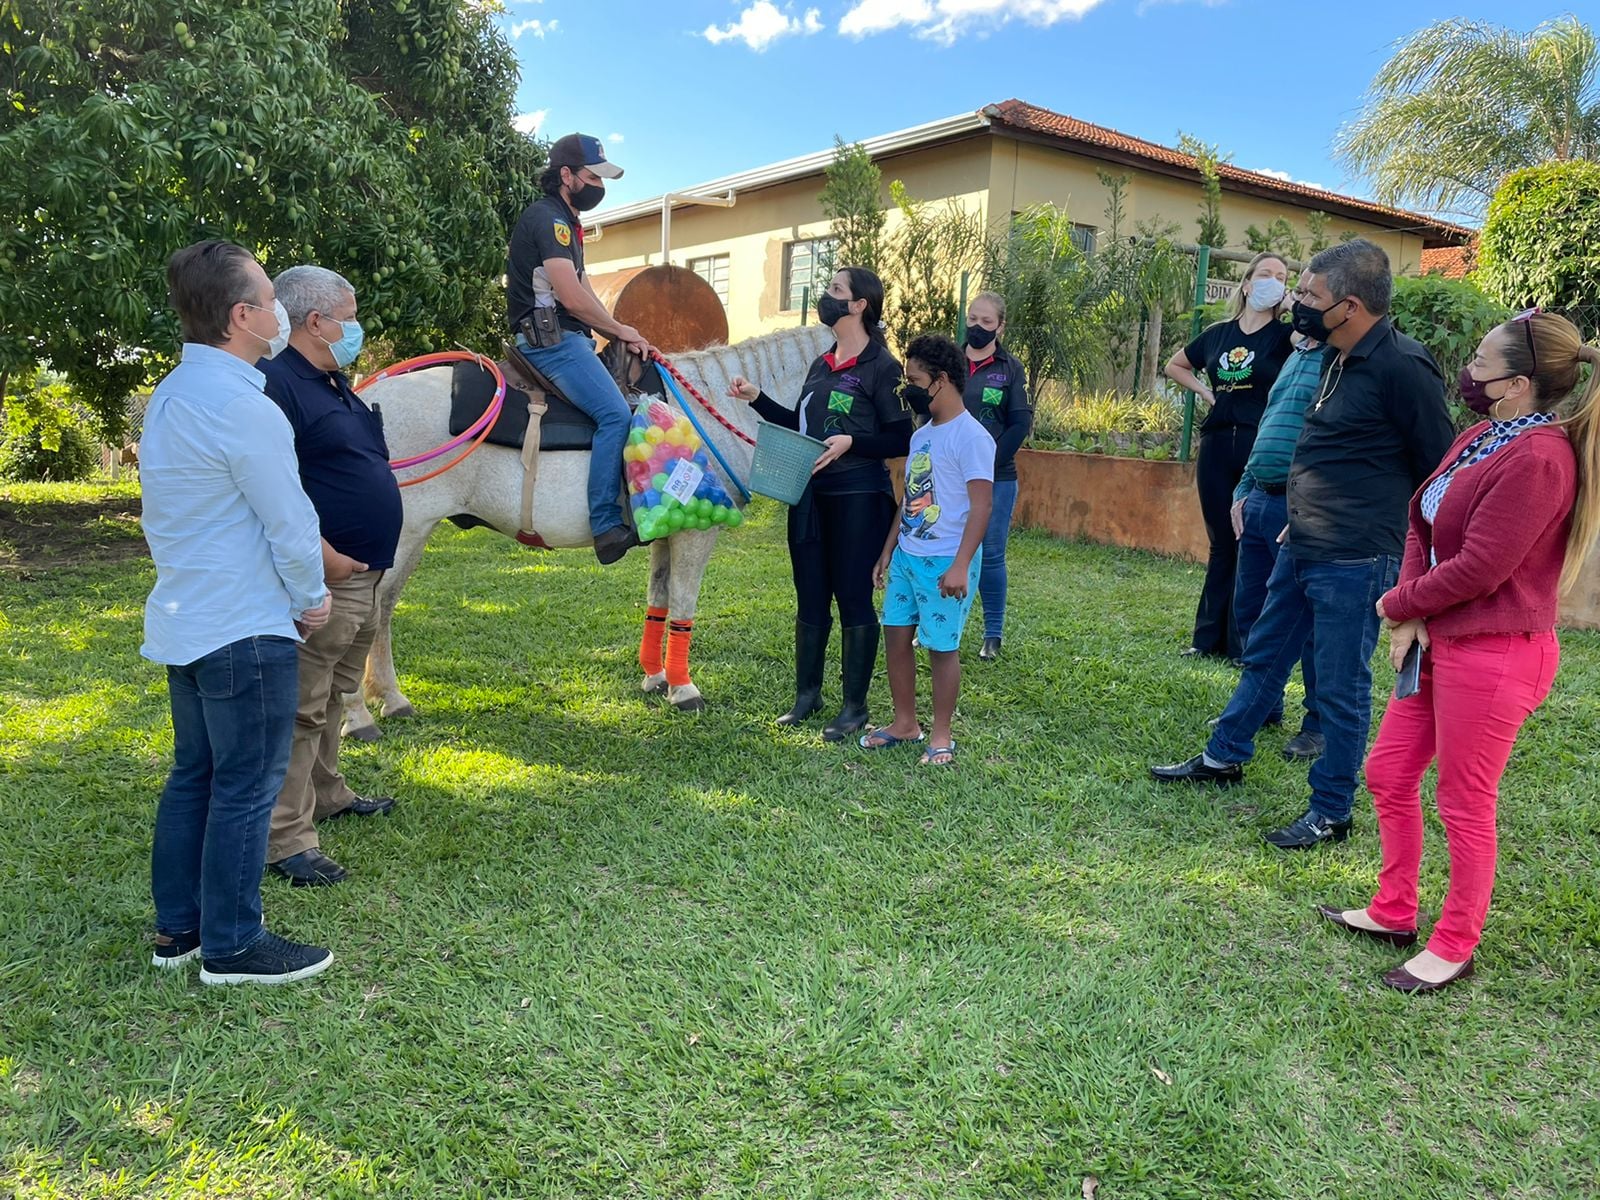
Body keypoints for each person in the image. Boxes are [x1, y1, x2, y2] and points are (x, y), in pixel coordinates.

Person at [1319, 311, 1600, 992]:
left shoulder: (1540, 457)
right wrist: (1413, 610)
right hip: (1440, 639)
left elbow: (1483, 567)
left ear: (1517, 383)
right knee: (1388, 772)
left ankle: (1455, 943)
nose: (1468, 372)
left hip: (1496, 651)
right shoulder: (1482, 436)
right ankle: (1394, 909)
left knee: (1464, 800)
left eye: (1480, 362)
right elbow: (1422, 519)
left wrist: (1396, 605)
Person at [1151, 239, 1456, 851]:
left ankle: (1331, 810)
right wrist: (1300, 511)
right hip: (1301, 538)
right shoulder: (1332, 356)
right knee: (1264, 654)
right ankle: (1225, 754)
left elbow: (1437, 471)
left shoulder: (1403, 367)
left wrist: (1413, 565)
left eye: (1310, 296)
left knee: (1340, 685)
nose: (1297, 304)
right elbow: (1318, 446)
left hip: (1356, 556)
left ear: (1347, 304)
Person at [139, 240, 334, 986]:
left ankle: (179, 931)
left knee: (196, 774)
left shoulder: (173, 394)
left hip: (189, 617)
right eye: (268, 297)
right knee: (247, 784)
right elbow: (288, 520)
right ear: (242, 315)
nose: (280, 310)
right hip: (244, 627)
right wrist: (311, 598)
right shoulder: (242, 407)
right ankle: (232, 944)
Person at [258, 266, 402, 888]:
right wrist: (326, 560)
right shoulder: (277, 386)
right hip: (331, 577)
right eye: (349, 312)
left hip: (367, 576)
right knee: (301, 707)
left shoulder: (331, 380)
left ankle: (329, 794)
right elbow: (272, 488)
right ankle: (287, 837)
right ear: (316, 321)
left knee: (336, 694)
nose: (356, 325)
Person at [727, 267, 911, 742]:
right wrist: (757, 399)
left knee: (852, 596)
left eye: (835, 291)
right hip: (810, 495)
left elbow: (901, 436)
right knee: (810, 597)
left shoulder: (882, 366)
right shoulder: (821, 363)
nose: (825, 298)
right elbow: (802, 427)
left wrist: (854, 441)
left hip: (858, 498)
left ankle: (854, 707)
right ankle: (807, 696)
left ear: (859, 306)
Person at [506, 132, 654, 564]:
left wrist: (617, 328)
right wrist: (620, 331)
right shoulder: (548, 219)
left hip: (568, 339)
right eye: (594, 176)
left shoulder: (568, 223)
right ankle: (606, 524)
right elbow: (570, 297)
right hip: (550, 344)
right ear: (565, 175)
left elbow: (585, 289)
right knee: (614, 414)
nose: (600, 187)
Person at [860, 335, 994, 765]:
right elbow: (910, 497)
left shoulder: (972, 437)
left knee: (941, 646)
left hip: (945, 561)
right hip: (907, 556)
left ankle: (940, 733)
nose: (908, 389)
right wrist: (887, 551)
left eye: (914, 380)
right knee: (895, 635)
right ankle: (905, 724)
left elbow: (982, 506)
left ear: (940, 381)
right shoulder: (921, 436)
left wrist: (960, 565)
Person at [1165, 253, 1294, 662]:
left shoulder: (1285, 336)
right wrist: (1207, 393)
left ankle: (1243, 645)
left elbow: (1319, 342)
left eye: (1281, 277)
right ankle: (1205, 640)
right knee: (1222, 541)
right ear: (1246, 284)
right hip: (1218, 442)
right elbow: (1176, 365)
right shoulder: (1219, 334)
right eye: (1264, 275)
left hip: (1262, 444)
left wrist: (1293, 306)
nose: (1272, 282)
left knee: (1251, 542)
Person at [1227, 312, 1328, 762]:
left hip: (1299, 508)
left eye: (1307, 295)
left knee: (1305, 624)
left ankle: (1317, 725)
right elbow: (1269, 424)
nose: (1296, 303)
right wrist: (1243, 491)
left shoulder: (1338, 361)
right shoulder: (1295, 356)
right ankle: (1262, 707)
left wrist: (1309, 505)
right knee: (1251, 610)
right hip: (1260, 500)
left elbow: (1333, 443)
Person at [960, 292, 1031, 661]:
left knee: (989, 555)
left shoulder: (1011, 369)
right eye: (973, 319)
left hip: (996, 478)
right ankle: (936, 626)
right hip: (948, 476)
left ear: (1001, 326)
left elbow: (1020, 424)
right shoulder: (950, 362)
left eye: (987, 322)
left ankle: (992, 634)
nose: (977, 327)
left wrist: (985, 467)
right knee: (941, 551)